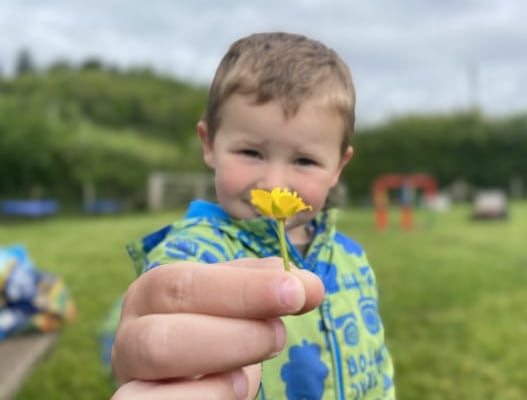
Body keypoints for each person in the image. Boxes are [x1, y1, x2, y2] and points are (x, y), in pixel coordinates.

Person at [102, 31, 395, 399]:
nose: (274, 184)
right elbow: (164, 312)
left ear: (339, 166)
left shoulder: (352, 257)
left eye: (304, 160)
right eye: (251, 153)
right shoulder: (196, 255)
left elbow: (376, 360)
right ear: (209, 144)